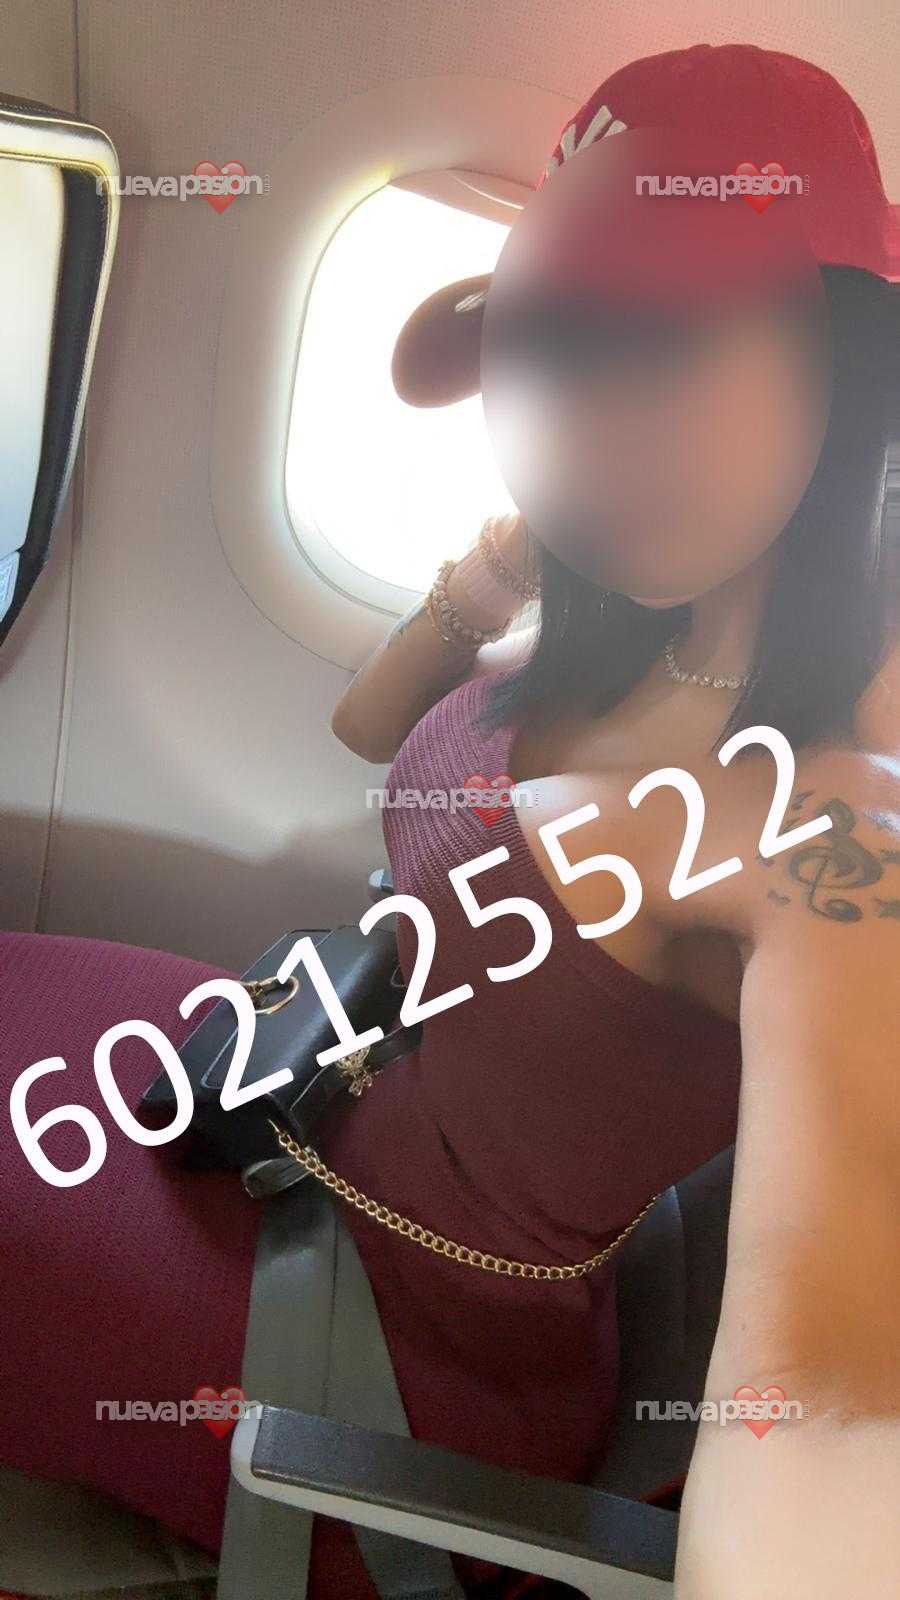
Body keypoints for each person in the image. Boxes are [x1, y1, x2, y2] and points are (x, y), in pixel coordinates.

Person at [0, 41, 897, 1600]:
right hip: (286, 1098)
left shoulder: (844, 827)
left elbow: (830, 1407)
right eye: (549, 351)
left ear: (850, 354)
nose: (583, 425)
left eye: (663, 339)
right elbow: (369, 735)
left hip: (400, 1348)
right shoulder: (629, 611)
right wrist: (495, 576)